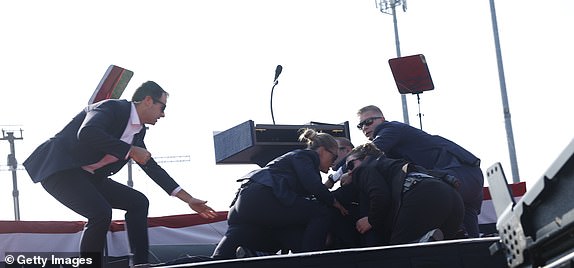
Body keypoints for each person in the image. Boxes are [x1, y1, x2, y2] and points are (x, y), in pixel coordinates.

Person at [22, 81, 217, 267]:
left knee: (138, 202)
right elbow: (88, 132)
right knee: (100, 212)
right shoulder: (110, 108)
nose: (163, 114)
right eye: (162, 107)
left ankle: (141, 263)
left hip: (89, 176)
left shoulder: (138, 133)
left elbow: (152, 168)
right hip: (60, 170)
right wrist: (130, 150)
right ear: (148, 100)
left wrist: (189, 199)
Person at [211, 128, 348, 259]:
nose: (334, 162)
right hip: (263, 197)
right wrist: (333, 202)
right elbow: (312, 185)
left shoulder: (289, 161)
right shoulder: (305, 156)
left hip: (244, 205)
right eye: (334, 156)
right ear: (323, 151)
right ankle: (309, 259)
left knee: (221, 258)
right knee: (321, 212)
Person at [356, 105, 484, 238]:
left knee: (428, 196)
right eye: (360, 126)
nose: (365, 127)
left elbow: (369, 152)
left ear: (382, 119)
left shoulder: (390, 128)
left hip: (457, 174)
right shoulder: (391, 145)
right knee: (470, 241)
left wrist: (339, 173)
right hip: (466, 178)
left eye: (368, 122)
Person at [346, 142, 464, 245]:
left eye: (350, 165)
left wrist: (371, 220)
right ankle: (425, 241)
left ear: (366, 158)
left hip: (421, 194)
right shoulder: (393, 164)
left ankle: (422, 242)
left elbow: (380, 194)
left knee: (400, 254)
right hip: (453, 196)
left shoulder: (364, 168)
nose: (350, 172)